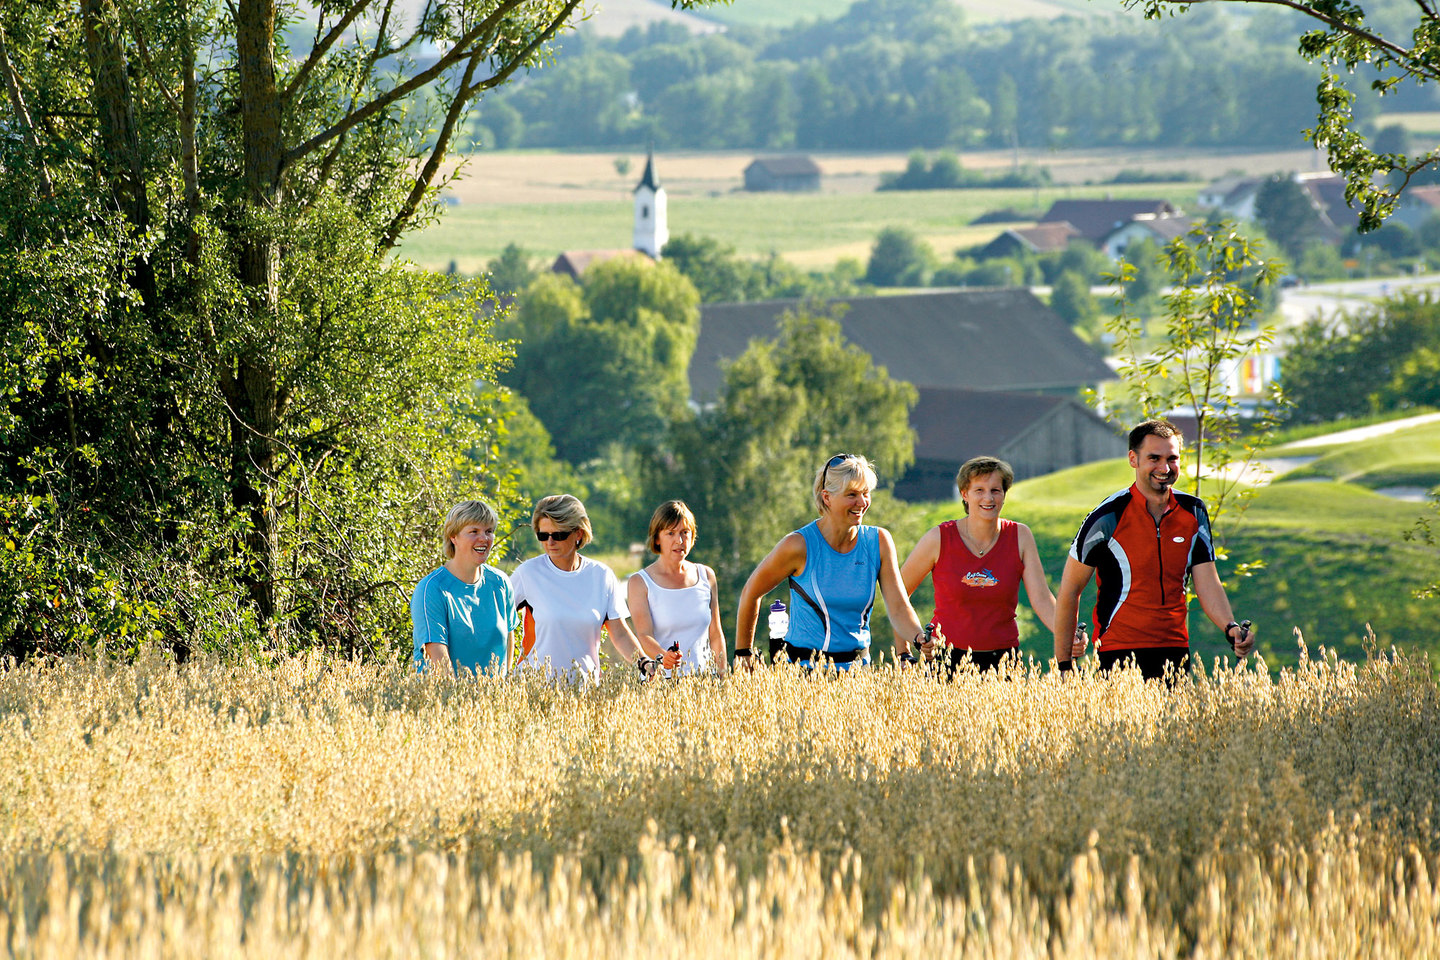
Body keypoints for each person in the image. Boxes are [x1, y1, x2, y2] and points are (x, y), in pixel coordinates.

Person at [1052, 419, 1256, 680]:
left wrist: (1230, 627)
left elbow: (1208, 582)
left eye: (1172, 458)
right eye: (1154, 458)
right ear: (1133, 459)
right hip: (1117, 651)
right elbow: (1070, 590)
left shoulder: (1194, 511)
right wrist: (1064, 667)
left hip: (1175, 649)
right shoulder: (1107, 516)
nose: (1164, 467)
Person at [733, 453, 940, 670]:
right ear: (827, 498)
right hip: (802, 675)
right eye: (852, 494)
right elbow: (751, 591)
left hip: (858, 676)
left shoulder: (878, 541)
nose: (862, 502)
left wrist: (919, 638)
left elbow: (898, 607)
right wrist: (743, 653)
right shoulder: (798, 545)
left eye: (866, 493)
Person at [900, 456, 1085, 675]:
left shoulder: (1020, 536)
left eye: (996, 490)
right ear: (964, 494)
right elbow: (898, 595)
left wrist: (1067, 635)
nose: (988, 498)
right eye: (979, 490)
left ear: (1004, 495)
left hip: (1004, 659)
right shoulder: (939, 538)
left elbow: (1042, 599)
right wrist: (904, 651)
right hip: (946, 658)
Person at [510, 494, 681, 681]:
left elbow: (620, 633)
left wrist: (643, 662)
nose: (550, 542)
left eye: (558, 535)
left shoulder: (602, 575)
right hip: (534, 690)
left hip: (586, 692)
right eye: (543, 535)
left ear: (579, 533)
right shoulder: (527, 573)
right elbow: (498, 622)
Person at [411, 499, 517, 676]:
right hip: (444, 698)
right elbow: (438, 662)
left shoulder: (501, 583)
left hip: (494, 700)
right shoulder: (431, 589)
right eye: (473, 531)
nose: (483, 538)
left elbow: (508, 642)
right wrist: (462, 702)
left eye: (489, 531)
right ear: (454, 537)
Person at [628, 500, 727, 678]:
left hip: (705, 681)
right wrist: (663, 657)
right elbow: (644, 636)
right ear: (657, 538)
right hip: (662, 682)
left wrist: (723, 677)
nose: (679, 540)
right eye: (670, 533)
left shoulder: (706, 575)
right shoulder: (639, 582)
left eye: (685, 532)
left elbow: (716, 634)